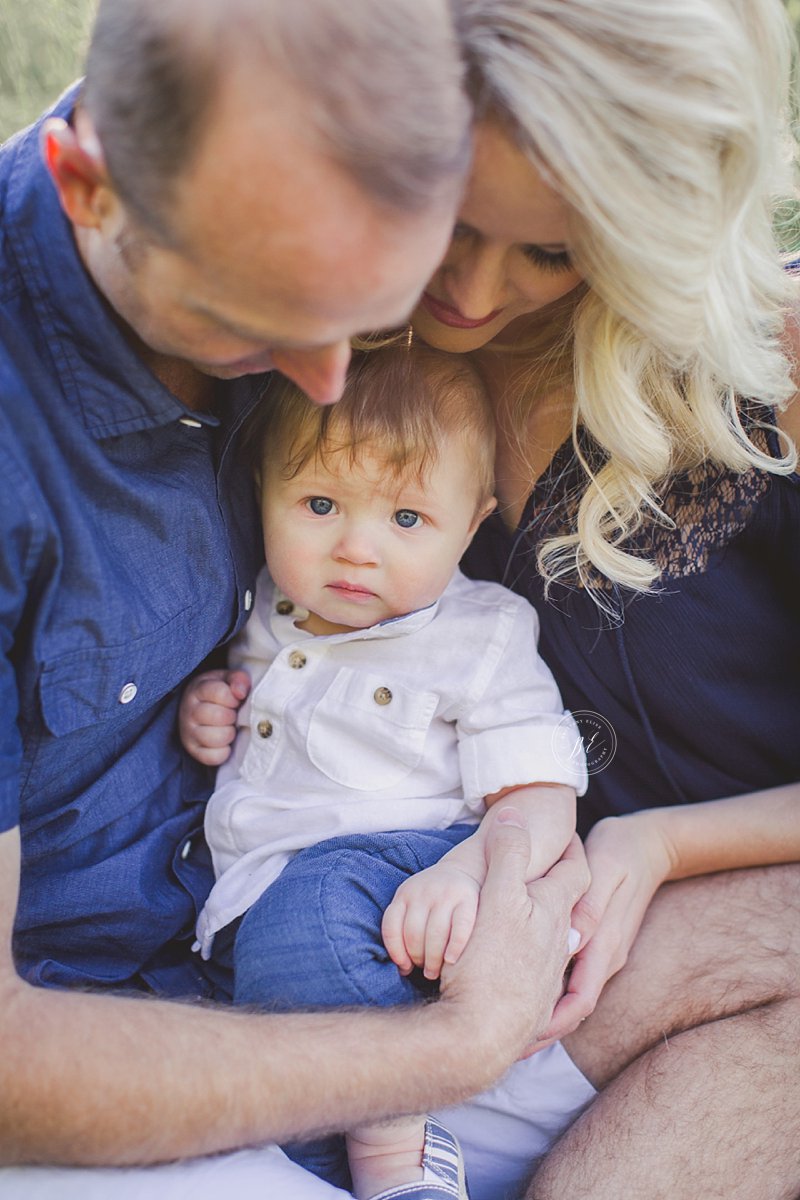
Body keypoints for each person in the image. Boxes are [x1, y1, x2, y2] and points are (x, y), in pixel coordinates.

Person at [0, 1, 592, 1197]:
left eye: (365, 312)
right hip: (91, 1048)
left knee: (758, 956)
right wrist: (436, 1052)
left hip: (335, 922)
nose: (320, 380)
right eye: (257, 321)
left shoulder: (264, 246)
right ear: (86, 185)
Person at [402, 0, 800, 1195]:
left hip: (713, 961)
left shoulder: (768, 368)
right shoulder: (328, 368)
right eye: (447, 220)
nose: (469, 291)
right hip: (460, 975)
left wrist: (661, 844)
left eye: (550, 249)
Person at [179, 344, 586, 1199]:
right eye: (321, 504)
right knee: (257, 1002)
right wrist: (210, 710)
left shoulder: (481, 634)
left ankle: (402, 1142)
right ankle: (339, 1161)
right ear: (264, 494)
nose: (356, 550)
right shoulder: (261, 607)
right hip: (255, 890)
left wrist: (472, 866)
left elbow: (541, 786)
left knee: (311, 921)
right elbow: (252, 716)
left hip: (409, 872)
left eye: (406, 519)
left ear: (471, 524)